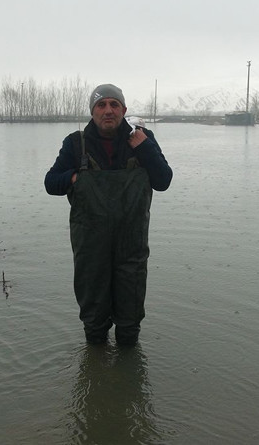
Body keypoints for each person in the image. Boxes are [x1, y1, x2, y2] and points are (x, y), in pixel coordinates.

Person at [45, 84, 172, 346]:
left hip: (132, 244)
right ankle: (96, 363)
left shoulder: (142, 139)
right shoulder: (75, 143)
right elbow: (50, 183)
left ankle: (127, 367)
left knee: (130, 317)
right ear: (92, 112)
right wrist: (74, 176)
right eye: (101, 105)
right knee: (94, 318)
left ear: (123, 110)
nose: (108, 110)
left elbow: (163, 181)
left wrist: (145, 148)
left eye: (114, 105)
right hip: (91, 245)